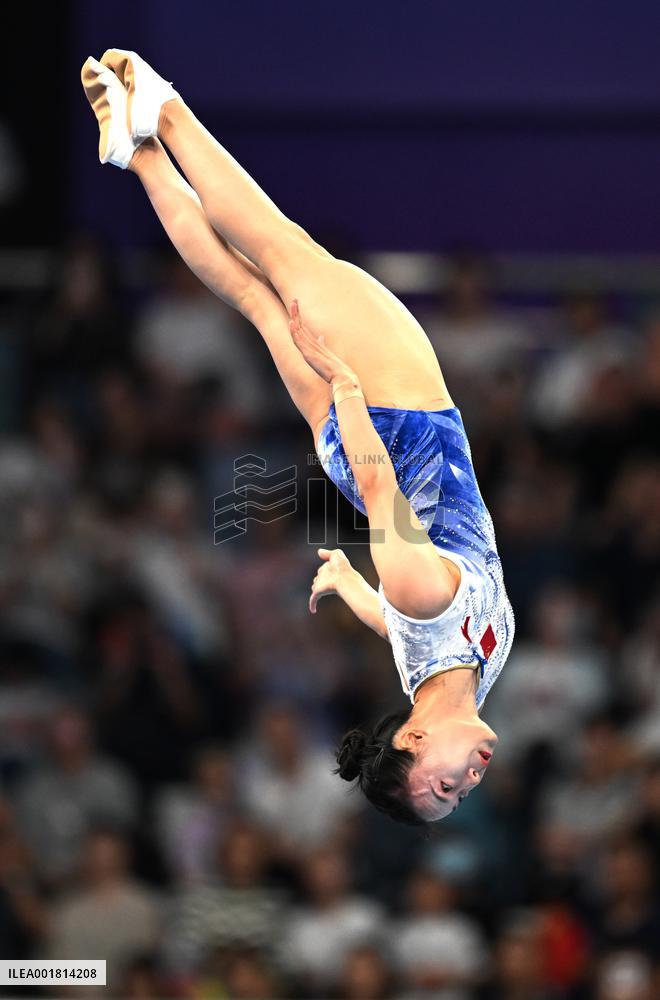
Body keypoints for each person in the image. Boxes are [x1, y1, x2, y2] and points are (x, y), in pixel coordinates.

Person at [81, 50, 515, 825]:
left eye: (443, 786)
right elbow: (411, 626)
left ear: (415, 736)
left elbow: (388, 506)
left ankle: (165, 111)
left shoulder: (424, 601)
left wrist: (347, 385)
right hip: (363, 440)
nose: (469, 781)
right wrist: (356, 592)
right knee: (253, 295)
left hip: (388, 416)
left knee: (286, 254)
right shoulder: (449, 675)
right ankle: (139, 154)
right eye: (460, 796)